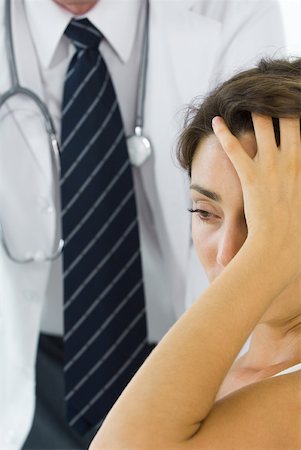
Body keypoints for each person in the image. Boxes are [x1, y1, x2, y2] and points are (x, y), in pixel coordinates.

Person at [0, 0, 288, 449]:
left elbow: (262, 172)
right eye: (203, 212)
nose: (228, 252)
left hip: (184, 340)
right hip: (28, 357)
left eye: (254, 220)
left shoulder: (233, 11)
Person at [90, 57, 301, 449]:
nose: (226, 254)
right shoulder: (220, 373)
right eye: (205, 213)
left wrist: (266, 255)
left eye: (268, 221)